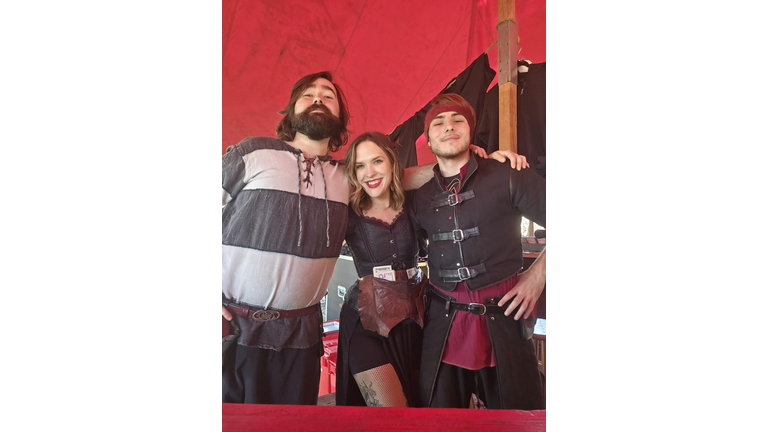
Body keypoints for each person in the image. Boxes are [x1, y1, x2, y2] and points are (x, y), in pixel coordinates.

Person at [222, 71, 530, 405]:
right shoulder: (253, 153)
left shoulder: (342, 177)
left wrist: (473, 159)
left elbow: (407, 176)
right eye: (308, 94)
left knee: (295, 422)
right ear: (292, 107)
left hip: (317, 334)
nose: (318, 99)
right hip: (245, 327)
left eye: (328, 95)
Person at [410, 93, 547, 410]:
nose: (449, 127)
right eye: (438, 123)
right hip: (442, 326)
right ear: (428, 140)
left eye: (457, 120)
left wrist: (537, 277)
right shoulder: (419, 197)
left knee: (518, 420)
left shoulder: (509, 174)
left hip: (506, 320)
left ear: (470, 132)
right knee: (438, 422)